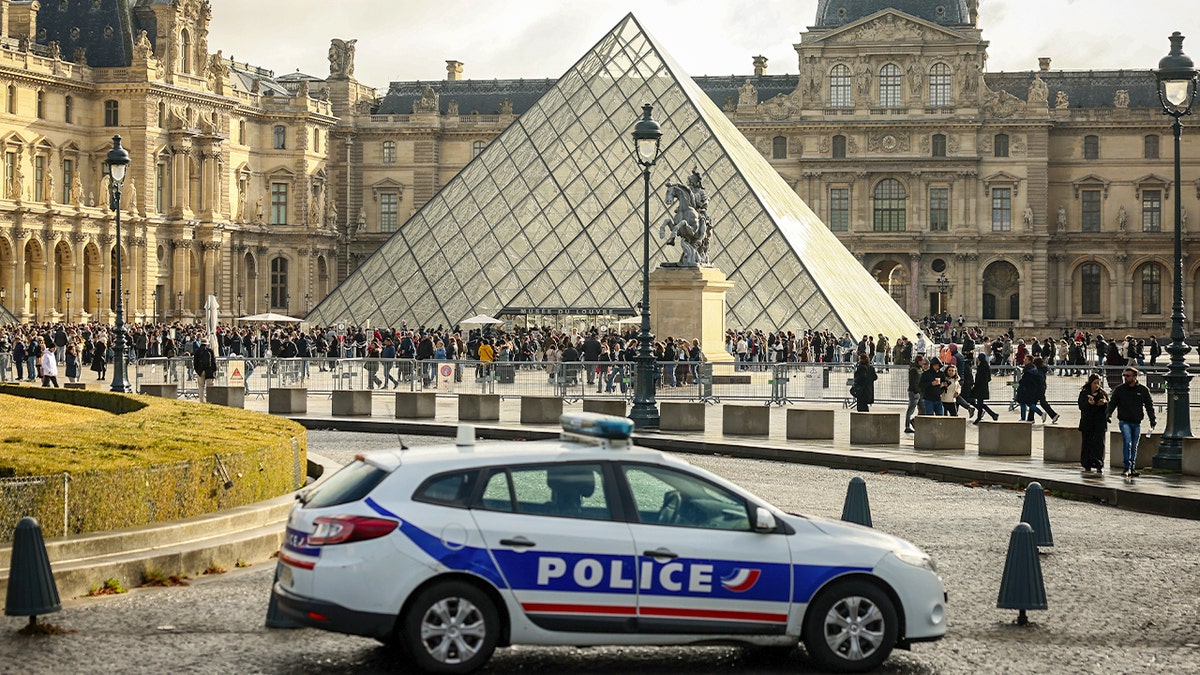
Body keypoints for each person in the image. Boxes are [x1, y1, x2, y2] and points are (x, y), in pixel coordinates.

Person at [1106, 367, 1156, 478]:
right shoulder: (1120, 390)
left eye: (1128, 376)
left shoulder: (1142, 390)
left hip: (1136, 422)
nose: (1125, 378)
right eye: (1124, 375)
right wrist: (1108, 414)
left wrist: (1152, 419)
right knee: (1127, 442)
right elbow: (1112, 404)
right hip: (1124, 421)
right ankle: (1126, 467)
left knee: (1134, 445)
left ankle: (1132, 467)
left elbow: (1149, 405)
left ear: (1135, 377)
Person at [1078, 373, 1109, 474]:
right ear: (1090, 383)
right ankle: (1087, 463)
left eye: (1098, 383)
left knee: (1099, 444)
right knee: (1087, 443)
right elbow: (1081, 406)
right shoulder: (1084, 393)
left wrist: (1104, 403)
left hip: (1099, 422)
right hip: (1087, 422)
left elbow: (1108, 408)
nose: (1097, 385)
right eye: (1095, 383)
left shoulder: (1102, 394)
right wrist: (1089, 403)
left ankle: (1099, 463)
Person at [971, 352, 1001, 424]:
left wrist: (975, 385)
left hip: (979, 388)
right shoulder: (986, 366)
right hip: (984, 387)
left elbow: (978, 379)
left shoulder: (981, 367)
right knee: (980, 403)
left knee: (980, 403)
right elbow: (989, 378)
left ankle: (991, 415)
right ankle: (990, 415)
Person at [1016, 355, 1045, 422]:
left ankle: (1039, 413)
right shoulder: (1033, 369)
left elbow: (1026, 379)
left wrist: (1020, 382)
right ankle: (1024, 418)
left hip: (1025, 389)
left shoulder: (1028, 369)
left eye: (1026, 359)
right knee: (1026, 403)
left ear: (1029, 361)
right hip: (1029, 389)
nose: (1024, 360)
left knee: (1025, 403)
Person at [904, 355, 926, 433]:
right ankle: (907, 426)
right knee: (911, 409)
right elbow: (913, 382)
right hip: (914, 392)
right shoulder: (914, 370)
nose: (924, 362)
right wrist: (917, 390)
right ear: (919, 361)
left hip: (918, 392)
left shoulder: (919, 369)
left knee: (923, 409)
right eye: (923, 361)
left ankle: (913, 421)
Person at [193, 337, 218, 403]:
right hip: (209, 371)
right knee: (209, 387)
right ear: (207, 343)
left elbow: (195, 363)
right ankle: (210, 400)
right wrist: (214, 370)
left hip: (200, 371)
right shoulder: (210, 351)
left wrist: (198, 371)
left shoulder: (197, 351)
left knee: (201, 387)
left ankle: (201, 401)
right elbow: (213, 362)